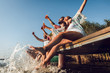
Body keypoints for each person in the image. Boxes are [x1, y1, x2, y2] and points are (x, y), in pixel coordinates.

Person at [30, 0, 87, 69]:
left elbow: (81, 8)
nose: (65, 21)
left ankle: (44, 48)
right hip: (71, 38)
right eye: (64, 20)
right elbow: (53, 27)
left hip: (79, 34)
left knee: (61, 34)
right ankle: (44, 62)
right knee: (56, 46)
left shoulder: (74, 20)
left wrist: (85, 0)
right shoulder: (66, 29)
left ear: (70, 19)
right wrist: (45, 27)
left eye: (66, 19)